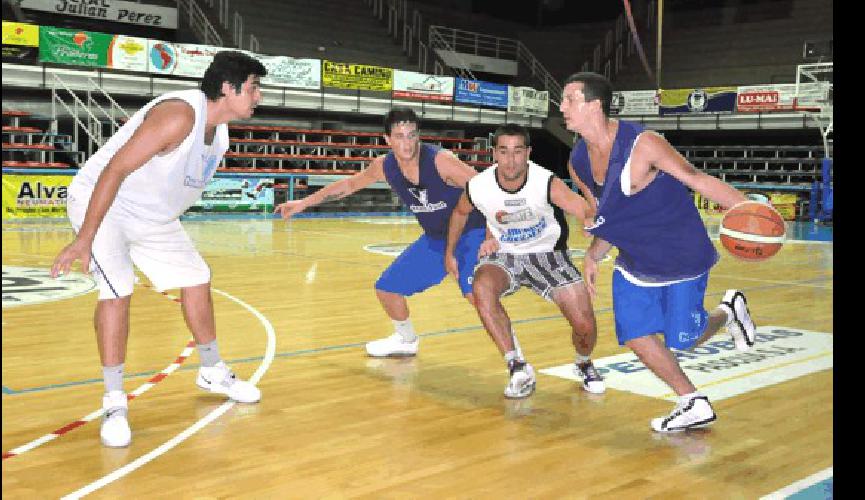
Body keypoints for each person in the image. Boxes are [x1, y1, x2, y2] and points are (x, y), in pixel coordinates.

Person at [49, 50, 267, 448]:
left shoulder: (219, 134)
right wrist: (85, 237)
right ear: (227, 87)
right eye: (253, 88)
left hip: (153, 219)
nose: (259, 97)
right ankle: (114, 401)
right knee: (117, 288)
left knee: (197, 277)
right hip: (105, 205)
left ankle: (212, 369)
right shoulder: (179, 115)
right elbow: (114, 170)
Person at [560, 72, 757, 433]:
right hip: (636, 261)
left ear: (595, 105)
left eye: (570, 99)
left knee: (684, 339)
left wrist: (753, 212)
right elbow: (608, 214)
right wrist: (593, 254)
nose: (562, 107)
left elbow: (696, 179)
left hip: (682, 254)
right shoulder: (578, 161)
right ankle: (691, 401)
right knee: (635, 333)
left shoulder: (643, 143)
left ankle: (728, 312)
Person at [274, 108, 520, 358]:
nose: (407, 143)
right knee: (387, 289)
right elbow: (348, 185)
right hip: (436, 239)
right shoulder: (384, 166)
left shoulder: (440, 161)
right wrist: (302, 203)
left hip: (471, 231)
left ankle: (515, 357)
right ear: (387, 140)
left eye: (412, 135)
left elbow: (487, 191)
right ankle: (406, 340)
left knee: (476, 295)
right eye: (400, 136)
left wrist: (491, 236)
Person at [444, 124, 604, 398]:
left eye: (518, 151)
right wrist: (450, 252)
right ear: (494, 153)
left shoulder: (546, 182)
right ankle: (517, 366)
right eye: (504, 151)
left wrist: (590, 221)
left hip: (550, 256)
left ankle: (583, 362)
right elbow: (459, 213)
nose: (511, 159)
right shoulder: (478, 186)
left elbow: (583, 209)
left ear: (528, 153)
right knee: (481, 286)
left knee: (585, 326)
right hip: (505, 255)